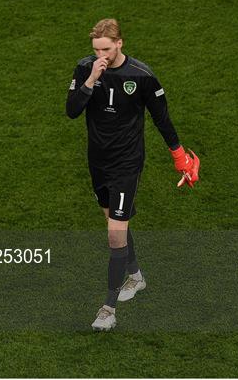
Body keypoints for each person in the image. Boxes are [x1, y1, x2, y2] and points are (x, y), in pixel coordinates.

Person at [66, 18, 200, 331]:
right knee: (115, 221)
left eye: (107, 48)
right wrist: (90, 80)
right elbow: (71, 110)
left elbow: (162, 119)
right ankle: (136, 276)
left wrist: (179, 157)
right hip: (97, 161)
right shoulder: (85, 68)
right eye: (97, 49)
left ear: (120, 43)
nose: (102, 54)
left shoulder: (141, 76)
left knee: (115, 233)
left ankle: (108, 310)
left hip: (127, 162)